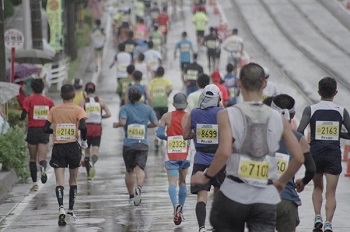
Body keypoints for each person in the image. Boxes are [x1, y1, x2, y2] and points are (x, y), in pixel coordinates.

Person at [191, 63, 304, 232]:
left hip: (233, 194)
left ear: (239, 84)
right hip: (263, 196)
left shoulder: (226, 114)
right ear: (264, 84)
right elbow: (299, 158)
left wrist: (207, 176)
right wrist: (281, 182)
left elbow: (224, 152)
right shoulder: (277, 118)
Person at [297, 77, 350, 232]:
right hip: (333, 154)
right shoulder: (341, 111)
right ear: (336, 92)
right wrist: (337, 134)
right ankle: (328, 223)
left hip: (315, 154)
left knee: (317, 187)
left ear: (318, 91)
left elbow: (299, 131)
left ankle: (317, 217)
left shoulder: (310, 110)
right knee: (331, 192)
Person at [263, 94, 316, 232]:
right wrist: (303, 181)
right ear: (292, 115)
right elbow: (311, 169)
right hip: (286, 200)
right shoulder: (298, 138)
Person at [43, 84, 88, 226]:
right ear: (74, 95)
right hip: (73, 148)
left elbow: (45, 128)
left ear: (61, 96)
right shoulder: (78, 110)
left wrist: (56, 130)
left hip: (58, 148)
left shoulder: (54, 110)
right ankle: (70, 210)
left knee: (59, 181)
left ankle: (61, 207)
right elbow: (83, 127)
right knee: (73, 180)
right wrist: (84, 141)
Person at [183, 84, 226, 232]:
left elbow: (185, 135)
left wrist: (199, 133)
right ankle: (216, 227)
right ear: (217, 98)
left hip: (200, 160)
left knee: (201, 197)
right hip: (219, 161)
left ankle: (201, 228)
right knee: (219, 196)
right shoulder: (222, 112)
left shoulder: (194, 113)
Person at [113, 86, 158, 206]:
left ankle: (131, 195)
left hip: (128, 144)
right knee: (140, 168)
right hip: (142, 144)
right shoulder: (147, 109)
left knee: (129, 171)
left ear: (128, 97)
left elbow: (122, 122)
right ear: (140, 97)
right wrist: (145, 126)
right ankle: (139, 187)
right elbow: (155, 123)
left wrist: (116, 125)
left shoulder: (124, 109)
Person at [156, 93, 190, 225]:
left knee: (172, 181)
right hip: (184, 153)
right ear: (185, 104)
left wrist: (167, 138)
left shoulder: (166, 116)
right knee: (182, 182)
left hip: (171, 154)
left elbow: (159, 133)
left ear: (173, 104)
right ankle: (180, 209)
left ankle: (175, 205)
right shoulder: (189, 116)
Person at [19, 79, 55, 191]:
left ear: (32, 88)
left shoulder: (28, 99)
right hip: (44, 131)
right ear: (43, 88)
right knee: (42, 158)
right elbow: (54, 116)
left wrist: (20, 118)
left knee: (32, 159)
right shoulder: (49, 101)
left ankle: (35, 183)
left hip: (32, 131)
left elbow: (23, 115)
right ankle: (43, 168)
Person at [80, 82, 111, 181]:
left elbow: (79, 116)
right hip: (97, 127)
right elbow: (109, 114)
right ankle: (93, 163)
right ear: (94, 90)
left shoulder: (83, 101)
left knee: (86, 151)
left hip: (86, 127)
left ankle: (89, 174)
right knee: (95, 151)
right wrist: (100, 117)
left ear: (86, 91)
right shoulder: (100, 101)